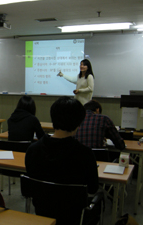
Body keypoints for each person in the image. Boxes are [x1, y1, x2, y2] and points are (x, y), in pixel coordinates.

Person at [25, 96, 99, 224]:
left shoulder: (33, 150)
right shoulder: (85, 154)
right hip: (73, 217)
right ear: (79, 122)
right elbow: (93, 188)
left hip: (42, 214)